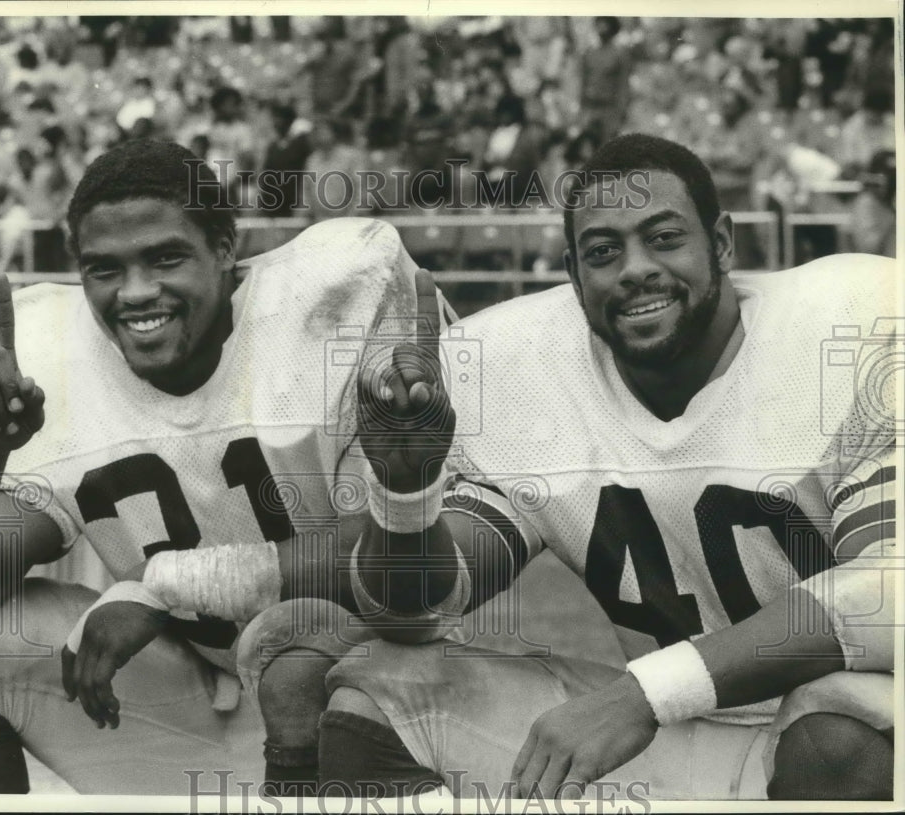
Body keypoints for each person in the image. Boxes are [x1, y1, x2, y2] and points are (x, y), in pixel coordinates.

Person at [317, 134, 897, 800]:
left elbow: (887, 592)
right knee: (379, 689)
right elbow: (417, 610)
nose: (635, 268)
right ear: (573, 273)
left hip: (827, 722)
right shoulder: (526, 367)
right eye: (603, 251)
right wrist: (407, 492)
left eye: (665, 237)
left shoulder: (848, 325)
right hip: (672, 733)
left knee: (834, 739)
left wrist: (648, 691)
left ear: (724, 243)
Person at [0, 138, 451, 796]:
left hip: (378, 702)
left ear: (225, 249)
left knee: (299, 644)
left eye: (165, 257)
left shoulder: (322, 305)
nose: (136, 292)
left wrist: (164, 583)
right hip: (210, 699)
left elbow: (407, 565)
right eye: (104, 269)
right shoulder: (54, 357)